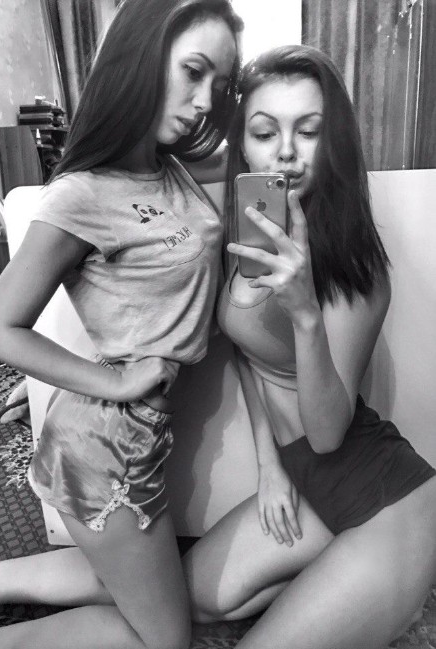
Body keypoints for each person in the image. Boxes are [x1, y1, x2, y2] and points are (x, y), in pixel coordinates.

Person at [0, 1, 241, 648]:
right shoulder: (81, 194)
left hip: (137, 437)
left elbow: (238, 161)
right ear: (140, 57)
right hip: (104, 448)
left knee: (131, 583)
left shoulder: (165, 167)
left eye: (218, 85)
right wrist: (112, 382)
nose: (203, 102)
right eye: (192, 71)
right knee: (164, 638)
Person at [181, 44, 436, 649]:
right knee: (192, 597)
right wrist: (270, 466)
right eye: (265, 132)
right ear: (244, 145)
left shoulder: (356, 268)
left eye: (309, 130)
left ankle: (390, 582)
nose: (287, 152)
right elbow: (247, 358)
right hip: (306, 484)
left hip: (385, 500)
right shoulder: (250, 237)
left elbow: (327, 434)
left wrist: (305, 313)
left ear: (333, 141)